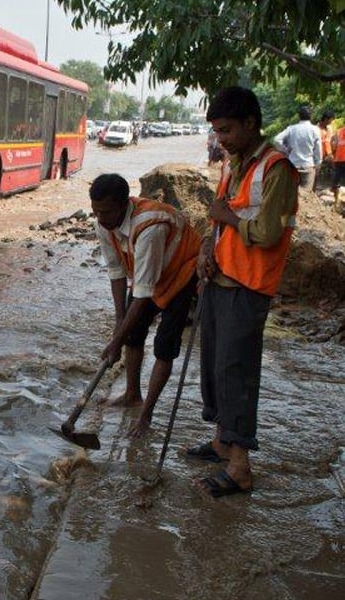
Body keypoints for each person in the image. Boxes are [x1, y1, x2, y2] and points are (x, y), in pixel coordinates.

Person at [190, 86, 299, 498]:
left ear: (251, 123)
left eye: (227, 130)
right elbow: (217, 217)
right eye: (217, 131)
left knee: (237, 373)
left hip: (248, 284)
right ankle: (222, 442)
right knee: (217, 370)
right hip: (220, 278)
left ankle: (239, 467)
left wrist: (227, 219)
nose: (221, 139)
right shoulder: (234, 163)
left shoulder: (277, 168)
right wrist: (205, 247)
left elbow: (268, 232)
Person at [89, 173, 201, 438]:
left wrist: (115, 342)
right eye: (96, 212)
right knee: (132, 334)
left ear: (123, 205)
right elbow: (116, 272)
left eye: (106, 212)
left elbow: (143, 293)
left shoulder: (149, 226)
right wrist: (119, 326)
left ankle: (146, 414)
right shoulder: (103, 224)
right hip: (148, 274)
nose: (100, 219)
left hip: (180, 273)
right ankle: (132, 394)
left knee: (164, 346)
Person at [273, 104, 321, 190]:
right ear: (311, 116)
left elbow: (277, 140)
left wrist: (286, 150)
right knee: (306, 196)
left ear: (299, 116)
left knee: (291, 194)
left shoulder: (291, 129)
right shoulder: (315, 130)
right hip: (308, 166)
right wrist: (317, 164)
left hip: (292, 165)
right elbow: (318, 151)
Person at [314, 109, 335, 192]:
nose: (331, 122)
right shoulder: (315, 129)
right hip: (317, 156)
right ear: (326, 119)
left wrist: (331, 153)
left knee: (336, 170)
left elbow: (331, 141)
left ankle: (333, 189)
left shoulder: (330, 128)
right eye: (331, 120)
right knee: (316, 173)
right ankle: (313, 191)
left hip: (329, 155)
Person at [331, 118, 345, 212]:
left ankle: (337, 204)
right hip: (341, 160)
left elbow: (333, 146)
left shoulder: (338, 132)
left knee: (337, 183)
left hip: (338, 160)